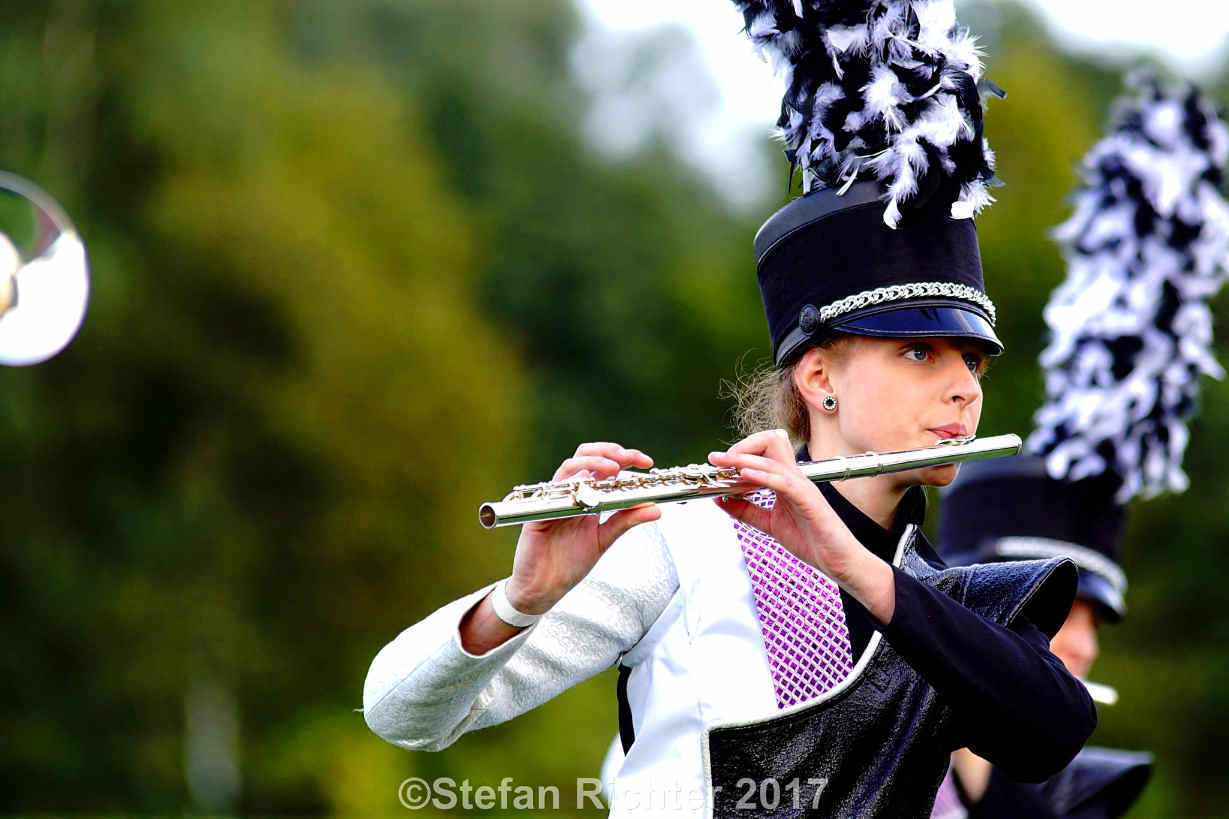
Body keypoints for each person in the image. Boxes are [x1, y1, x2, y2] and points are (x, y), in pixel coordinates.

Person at [362, 2, 1096, 815]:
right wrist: (519, 600)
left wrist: (857, 570)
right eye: (918, 352)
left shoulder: (952, 603)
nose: (963, 386)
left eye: (971, 359)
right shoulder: (692, 549)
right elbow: (401, 713)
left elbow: (1052, 730)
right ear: (819, 377)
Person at [928, 72, 1229, 819]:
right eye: (1065, 604)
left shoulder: (1076, 798)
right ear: (981, 598)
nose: (1085, 646)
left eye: (1095, 616)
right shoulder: (850, 749)